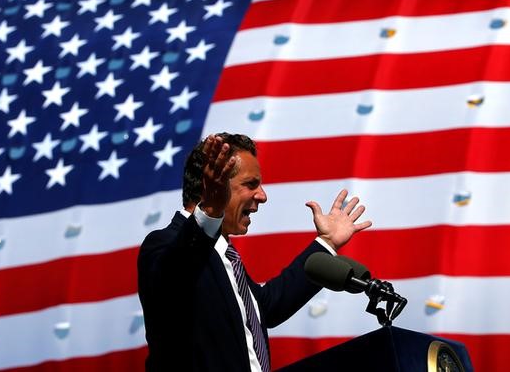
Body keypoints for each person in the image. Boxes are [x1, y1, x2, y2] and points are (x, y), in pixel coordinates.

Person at [137, 133, 371, 372]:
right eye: (250, 184)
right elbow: (177, 272)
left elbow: (265, 309)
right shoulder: (164, 244)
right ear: (213, 185)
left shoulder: (223, 254)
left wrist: (327, 242)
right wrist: (209, 211)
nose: (263, 195)